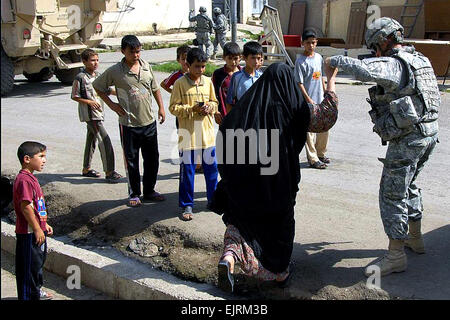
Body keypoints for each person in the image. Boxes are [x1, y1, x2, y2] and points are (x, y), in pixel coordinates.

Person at [210, 63, 339, 293]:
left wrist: (232, 177)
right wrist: (330, 81)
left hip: (243, 186)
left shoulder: (242, 111)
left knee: (239, 222)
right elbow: (326, 117)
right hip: (277, 186)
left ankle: (229, 258)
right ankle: (280, 274)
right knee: (280, 227)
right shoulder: (295, 109)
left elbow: (224, 140)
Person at [325, 17, 440, 277]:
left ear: (384, 41)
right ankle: (416, 238)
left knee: (391, 193)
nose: (375, 52)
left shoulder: (393, 63)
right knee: (410, 184)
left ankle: (396, 255)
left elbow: (364, 70)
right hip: (429, 134)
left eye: (375, 47)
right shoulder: (421, 59)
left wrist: (333, 61)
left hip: (409, 138)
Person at [93, 35, 166, 207]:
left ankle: (149, 190)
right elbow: (98, 86)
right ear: (123, 51)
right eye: (132, 52)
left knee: (152, 159)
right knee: (132, 161)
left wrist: (161, 108)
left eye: (138, 51)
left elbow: (155, 89)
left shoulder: (146, 66)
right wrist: (112, 105)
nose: (136, 55)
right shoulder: (115, 71)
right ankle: (134, 193)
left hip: (149, 122)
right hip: (129, 125)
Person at [169, 48, 219, 221]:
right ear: (188, 65)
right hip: (188, 136)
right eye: (197, 66)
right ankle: (187, 204)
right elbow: (173, 108)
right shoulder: (179, 84)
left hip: (207, 135)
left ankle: (213, 200)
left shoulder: (208, 82)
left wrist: (209, 107)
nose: (200, 70)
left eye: (203, 66)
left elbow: (215, 102)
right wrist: (192, 109)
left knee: (212, 171)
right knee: (188, 173)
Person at [71, 49, 122, 182]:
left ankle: (86, 168)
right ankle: (110, 171)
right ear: (84, 62)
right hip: (90, 115)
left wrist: (122, 93)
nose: (95, 63)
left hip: (99, 113)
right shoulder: (80, 78)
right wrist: (89, 102)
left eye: (97, 60)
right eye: (92, 60)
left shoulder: (98, 76)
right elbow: (74, 95)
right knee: (105, 140)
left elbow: (107, 90)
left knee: (91, 140)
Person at [13, 141, 54, 300]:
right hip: (29, 233)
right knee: (28, 268)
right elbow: (26, 207)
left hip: (37, 230)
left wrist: (44, 224)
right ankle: (28, 295)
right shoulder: (24, 180)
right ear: (27, 159)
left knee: (37, 265)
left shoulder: (31, 178)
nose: (44, 160)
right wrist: (37, 229)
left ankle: (36, 292)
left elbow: (36, 206)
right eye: (41, 156)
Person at [295, 29, 330, 170]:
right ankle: (313, 158)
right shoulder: (300, 61)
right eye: (308, 43)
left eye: (313, 43)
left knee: (324, 127)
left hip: (320, 99)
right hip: (307, 102)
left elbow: (320, 76)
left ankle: (321, 153)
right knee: (309, 131)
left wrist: (325, 91)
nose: (311, 45)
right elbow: (299, 83)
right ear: (303, 43)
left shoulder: (319, 58)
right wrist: (308, 99)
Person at [225, 41, 264, 112]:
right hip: (242, 116)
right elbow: (229, 102)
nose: (256, 61)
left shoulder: (261, 76)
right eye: (253, 58)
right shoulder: (237, 77)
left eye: (258, 58)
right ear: (244, 58)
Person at [211, 42, 242, 125]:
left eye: (235, 58)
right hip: (224, 115)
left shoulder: (244, 73)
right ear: (224, 57)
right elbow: (213, 94)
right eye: (230, 58)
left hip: (242, 115)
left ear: (240, 58)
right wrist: (216, 111)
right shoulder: (218, 74)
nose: (233, 62)